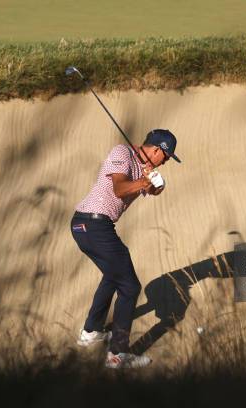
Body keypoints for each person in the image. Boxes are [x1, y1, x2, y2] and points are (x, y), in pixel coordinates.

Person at [70, 129, 181, 369]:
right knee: (130, 287)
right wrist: (144, 180)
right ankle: (117, 356)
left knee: (113, 276)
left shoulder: (141, 167)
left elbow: (150, 190)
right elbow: (120, 188)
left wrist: (156, 185)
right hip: (93, 224)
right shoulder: (122, 152)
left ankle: (91, 331)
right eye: (167, 156)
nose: (167, 161)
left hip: (88, 227)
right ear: (156, 150)